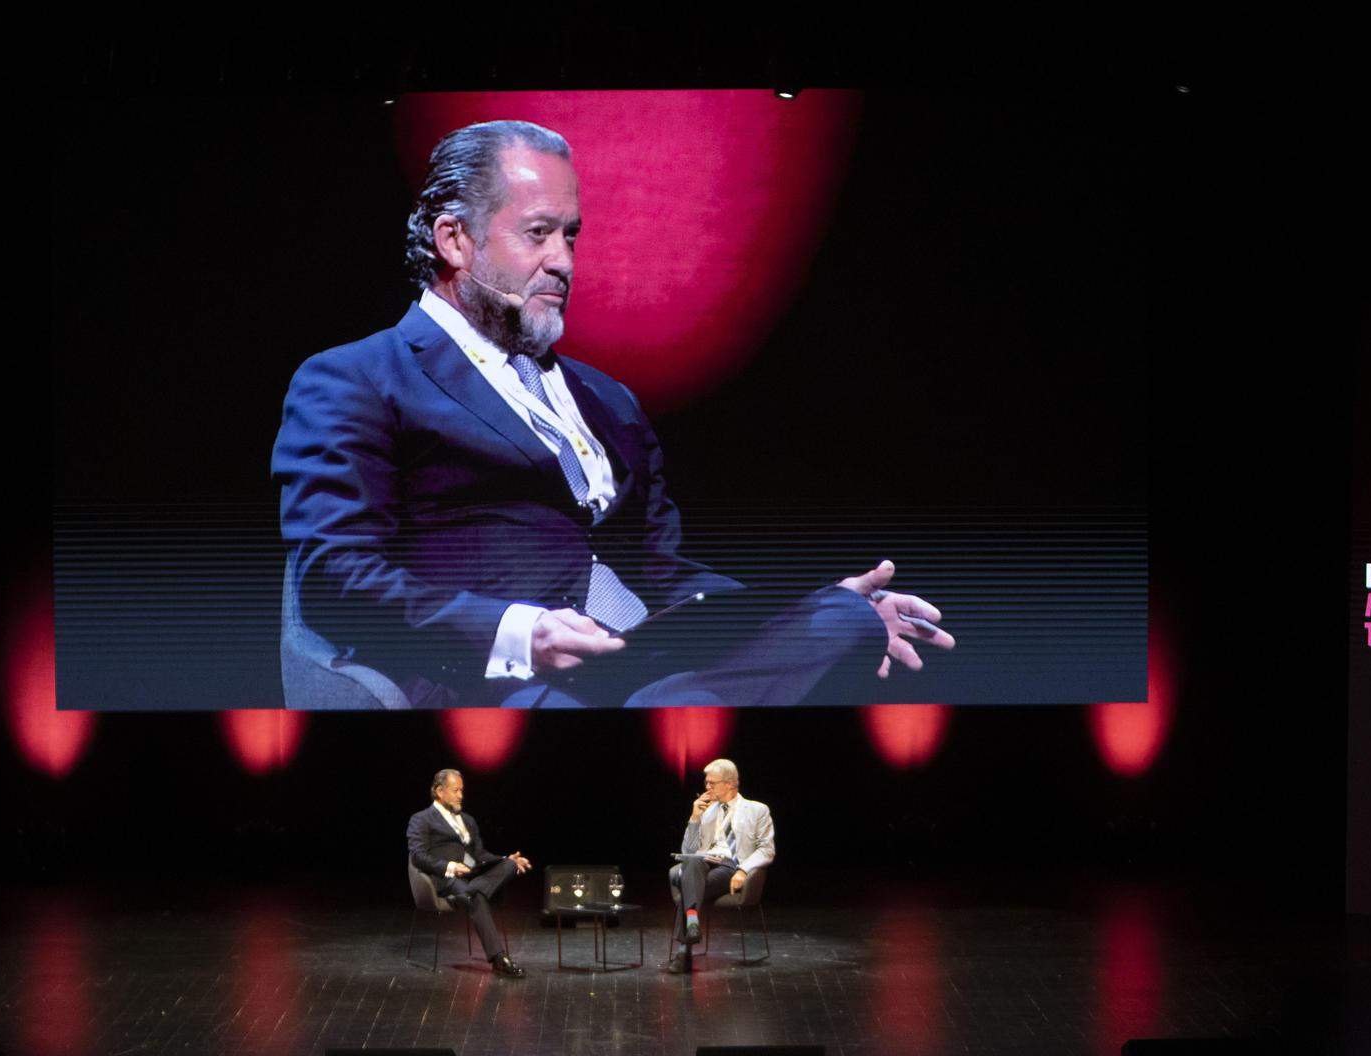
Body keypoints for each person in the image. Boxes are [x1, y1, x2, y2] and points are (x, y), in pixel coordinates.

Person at [274, 118, 954, 708]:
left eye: (571, 235)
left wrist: (794, 610)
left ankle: (677, 696)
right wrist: (521, 633)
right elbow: (336, 576)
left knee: (844, 620)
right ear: (454, 241)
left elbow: (663, 574)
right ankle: (673, 707)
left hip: (634, 651)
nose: (563, 261)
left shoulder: (608, 400)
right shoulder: (356, 379)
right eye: (538, 234)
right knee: (688, 700)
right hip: (496, 679)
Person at [407, 768, 529, 976]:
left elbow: (480, 854)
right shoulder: (422, 819)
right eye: (455, 791)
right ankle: (499, 959)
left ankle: (475, 888)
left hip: (474, 876)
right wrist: (451, 867)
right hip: (448, 878)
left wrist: (504, 860)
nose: (461, 796)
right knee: (477, 898)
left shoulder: (468, 820)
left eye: (462, 791)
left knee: (509, 865)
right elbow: (418, 855)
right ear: (439, 791)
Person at [666, 759, 773, 974]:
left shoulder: (757, 810)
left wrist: (744, 870)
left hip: (729, 866)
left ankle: (685, 951)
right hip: (702, 863)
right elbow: (688, 849)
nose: (707, 788)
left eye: (712, 783)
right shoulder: (707, 811)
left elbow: (767, 849)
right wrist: (695, 817)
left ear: (730, 783)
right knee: (692, 862)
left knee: (689, 882)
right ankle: (692, 926)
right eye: (706, 783)